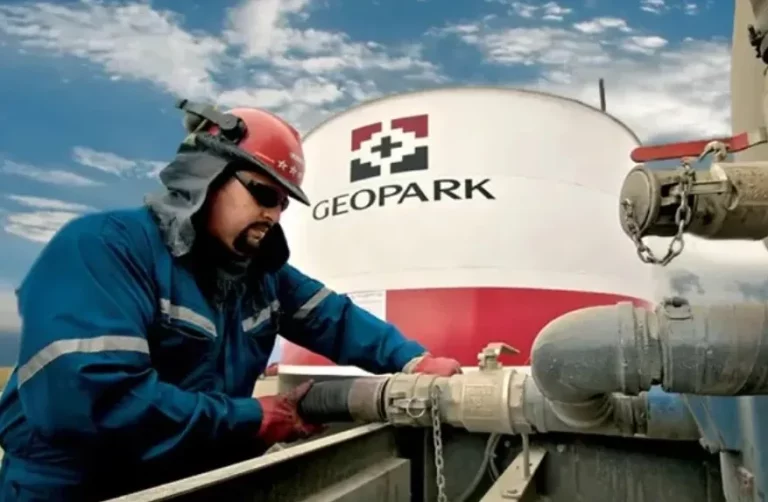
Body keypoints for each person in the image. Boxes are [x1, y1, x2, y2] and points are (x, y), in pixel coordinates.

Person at [0, 101, 462, 501]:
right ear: (205, 173)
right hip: (75, 485)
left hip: (189, 477)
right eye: (263, 193)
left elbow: (333, 318)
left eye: (283, 203)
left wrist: (413, 361)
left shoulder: (261, 276)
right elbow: (95, 400)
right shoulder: (104, 248)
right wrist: (251, 418)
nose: (273, 213)